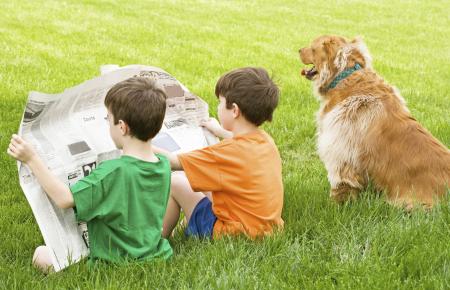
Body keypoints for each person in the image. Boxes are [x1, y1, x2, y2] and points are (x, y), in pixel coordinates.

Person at [7, 77, 173, 272]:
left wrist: (31, 158)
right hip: (155, 256)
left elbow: (65, 199)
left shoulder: (112, 172)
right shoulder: (163, 165)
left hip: (113, 263)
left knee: (40, 255)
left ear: (122, 127)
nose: (107, 124)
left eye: (108, 119)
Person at [155, 67, 284, 239]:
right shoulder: (265, 141)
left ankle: (157, 240)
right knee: (203, 182)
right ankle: (186, 224)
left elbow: (172, 161)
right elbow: (236, 138)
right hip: (266, 228)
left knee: (177, 181)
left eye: (220, 102)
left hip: (233, 233)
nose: (218, 106)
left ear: (235, 110)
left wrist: (136, 143)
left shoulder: (225, 153)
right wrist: (218, 130)